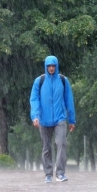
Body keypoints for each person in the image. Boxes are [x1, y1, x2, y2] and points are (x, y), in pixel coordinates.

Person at [29, 55, 76, 183]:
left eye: (53, 66)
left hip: (60, 119)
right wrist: (35, 116)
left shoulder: (63, 80)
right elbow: (34, 100)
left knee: (61, 143)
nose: (51, 68)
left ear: (56, 66)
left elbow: (69, 100)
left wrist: (72, 119)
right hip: (43, 120)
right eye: (49, 66)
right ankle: (48, 174)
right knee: (46, 147)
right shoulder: (39, 81)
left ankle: (60, 173)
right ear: (45, 66)